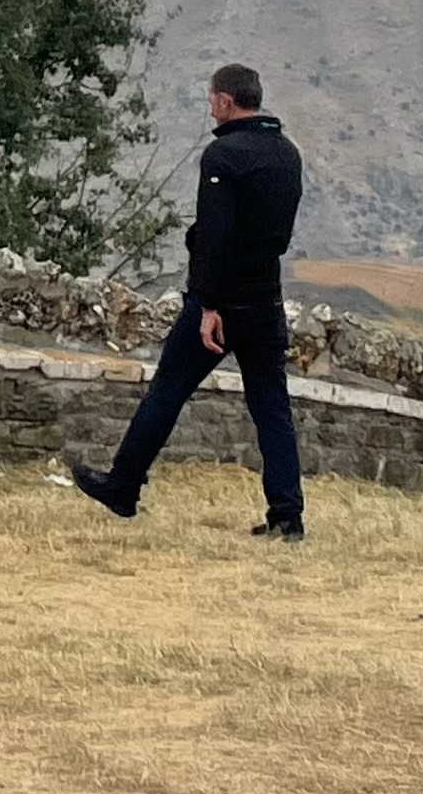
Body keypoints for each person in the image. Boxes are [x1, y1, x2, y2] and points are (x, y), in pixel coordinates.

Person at [69, 62, 307, 539]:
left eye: (212, 100)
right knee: (272, 408)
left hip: (222, 303)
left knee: (168, 390)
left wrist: (208, 305)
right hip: (266, 298)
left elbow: (214, 236)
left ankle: (123, 486)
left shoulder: (223, 156)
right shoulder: (287, 153)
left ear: (225, 100)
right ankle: (287, 515)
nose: (210, 109)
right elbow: (279, 233)